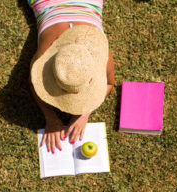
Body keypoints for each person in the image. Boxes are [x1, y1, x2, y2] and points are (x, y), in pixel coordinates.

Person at [28, 0, 115, 154]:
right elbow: (32, 84)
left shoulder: (103, 55)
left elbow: (109, 83)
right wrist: (51, 119)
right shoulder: (42, 57)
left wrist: (84, 114)